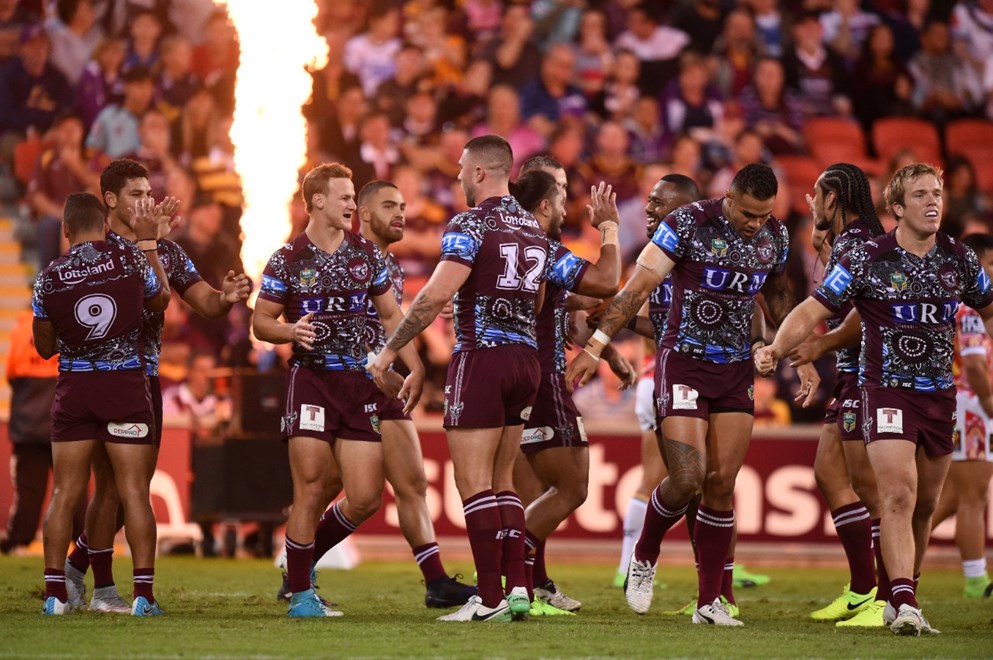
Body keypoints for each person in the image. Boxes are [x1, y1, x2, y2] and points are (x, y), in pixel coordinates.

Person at [567, 163, 818, 626]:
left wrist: (795, 354)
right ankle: (645, 554)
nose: (754, 224)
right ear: (729, 197)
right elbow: (637, 288)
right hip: (683, 363)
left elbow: (777, 297)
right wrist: (595, 347)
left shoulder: (775, 236)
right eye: (747, 213)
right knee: (687, 477)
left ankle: (709, 604)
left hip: (735, 371)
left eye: (763, 215)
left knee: (721, 484)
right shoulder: (687, 224)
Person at [756, 162, 993, 636]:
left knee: (924, 505)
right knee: (897, 493)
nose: (932, 202)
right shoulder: (868, 257)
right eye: (920, 195)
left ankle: (901, 595)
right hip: (883, 390)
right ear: (897, 207)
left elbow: (988, 309)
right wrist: (777, 349)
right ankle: (901, 601)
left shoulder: (961, 259)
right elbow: (813, 307)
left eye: (937, 193)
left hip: (939, 396)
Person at [368, 135, 550, 623]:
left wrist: (389, 351)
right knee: (503, 480)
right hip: (526, 359)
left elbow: (431, 296)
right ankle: (518, 588)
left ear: (480, 173)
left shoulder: (469, 223)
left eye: (462, 169)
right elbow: (535, 299)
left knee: (473, 484)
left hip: (482, 358)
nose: (458, 177)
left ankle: (488, 598)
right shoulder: (533, 226)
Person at [274, 179, 475, 609]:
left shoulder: (387, 264)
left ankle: (435, 580)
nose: (400, 214)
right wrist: (378, 365)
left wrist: (409, 363)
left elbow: (391, 322)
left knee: (408, 483)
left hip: (380, 382)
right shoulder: (339, 257)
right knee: (329, 484)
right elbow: (340, 329)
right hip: (349, 380)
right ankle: (299, 570)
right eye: (389, 206)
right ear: (362, 214)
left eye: (402, 205)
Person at [63, 159, 250, 613]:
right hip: (100, 378)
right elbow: (157, 300)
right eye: (136, 194)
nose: (146, 201)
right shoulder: (98, 250)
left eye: (149, 193)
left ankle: (74, 567)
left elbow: (202, 300)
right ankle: (104, 588)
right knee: (111, 487)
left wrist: (225, 297)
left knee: (132, 491)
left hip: (146, 378)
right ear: (110, 200)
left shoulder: (166, 251)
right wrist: (146, 243)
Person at [252, 163, 425, 618]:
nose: (352, 204)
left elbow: (391, 315)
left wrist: (415, 364)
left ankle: (299, 564)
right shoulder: (287, 258)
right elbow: (261, 321)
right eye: (345, 197)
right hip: (310, 379)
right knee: (310, 486)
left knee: (365, 496)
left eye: (353, 196)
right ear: (318, 201)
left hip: (358, 384)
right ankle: (301, 595)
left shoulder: (366, 254)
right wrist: (290, 332)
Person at [33, 191, 170, 616]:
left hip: (75, 390)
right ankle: (143, 596)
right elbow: (160, 299)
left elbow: (43, 348)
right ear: (105, 225)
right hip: (124, 386)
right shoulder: (129, 260)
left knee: (64, 493)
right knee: (134, 493)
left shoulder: (49, 277)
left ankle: (55, 594)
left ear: (66, 230)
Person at [509, 161, 623, 614]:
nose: (565, 200)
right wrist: (608, 227)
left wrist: (605, 352)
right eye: (558, 189)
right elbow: (607, 280)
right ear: (541, 200)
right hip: (542, 377)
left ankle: (529, 584)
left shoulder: (509, 242)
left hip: (517, 377)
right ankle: (508, 572)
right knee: (573, 487)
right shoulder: (541, 246)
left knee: (531, 495)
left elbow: (558, 302)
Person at [785, 163, 889, 626]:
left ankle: (887, 596)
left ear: (833, 198)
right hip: (851, 373)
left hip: (868, 374)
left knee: (870, 488)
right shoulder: (852, 240)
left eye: (817, 194)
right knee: (829, 473)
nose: (811, 203)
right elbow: (843, 295)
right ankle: (865, 588)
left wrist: (817, 345)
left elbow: (864, 314)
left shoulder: (859, 242)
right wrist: (820, 246)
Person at [929, 232, 993, 599]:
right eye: (991, 264)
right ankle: (975, 579)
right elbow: (974, 363)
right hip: (973, 406)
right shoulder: (971, 308)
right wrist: (989, 403)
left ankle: (891, 561)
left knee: (951, 498)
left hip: (961, 404)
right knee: (973, 496)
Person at [1, 310, 81, 555]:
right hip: (67, 422)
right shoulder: (72, 319)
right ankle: (84, 541)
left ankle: (18, 539)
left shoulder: (23, 326)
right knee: (74, 488)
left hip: (29, 424)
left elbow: (12, 373)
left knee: (29, 490)